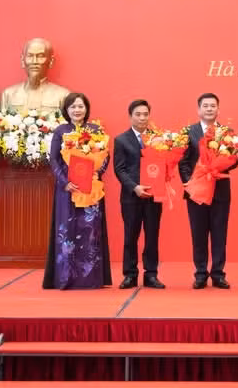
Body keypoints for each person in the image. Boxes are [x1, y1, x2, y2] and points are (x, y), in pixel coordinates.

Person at [42, 92, 111, 289]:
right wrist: (64, 182)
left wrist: (96, 174)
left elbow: (105, 157)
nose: (77, 110)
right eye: (73, 107)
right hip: (68, 191)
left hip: (91, 190)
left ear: (87, 109)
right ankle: (66, 277)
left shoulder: (96, 131)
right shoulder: (61, 131)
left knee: (90, 231)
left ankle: (90, 279)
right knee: (68, 230)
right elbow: (54, 159)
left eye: (80, 106)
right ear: (66, 110)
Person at [178, 93, 238, 289]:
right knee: (198, 233)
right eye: (206, 106)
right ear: (199, 110)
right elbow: (183, 161)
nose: (209, 109)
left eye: (213, 106)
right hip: (196, 191)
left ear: (218, 109)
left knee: (220, 233)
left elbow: (233, 161)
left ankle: (218, 274)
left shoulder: (227, 132)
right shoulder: (189, 132)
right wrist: (190, 182)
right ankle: (201, 274)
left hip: (220, 190)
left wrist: (225, 164)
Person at [113, 99, 165, 289]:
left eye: (145, 114)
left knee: (152, 236)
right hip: (131, 197)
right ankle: (130, 275)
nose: (142, 118)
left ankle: (151, 275)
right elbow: (119, 169)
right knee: (130, 236)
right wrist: (134, 187)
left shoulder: (158, 139)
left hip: (153, 196)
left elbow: (163, 165)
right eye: (138, 114)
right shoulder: (121, 140)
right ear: (130, 117)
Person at [0, 38, 70, 114]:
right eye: (30, 56)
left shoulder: (63, 96)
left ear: (50, 61)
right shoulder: (8, 94)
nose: (34, 61)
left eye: (40, 56)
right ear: (23, 60)